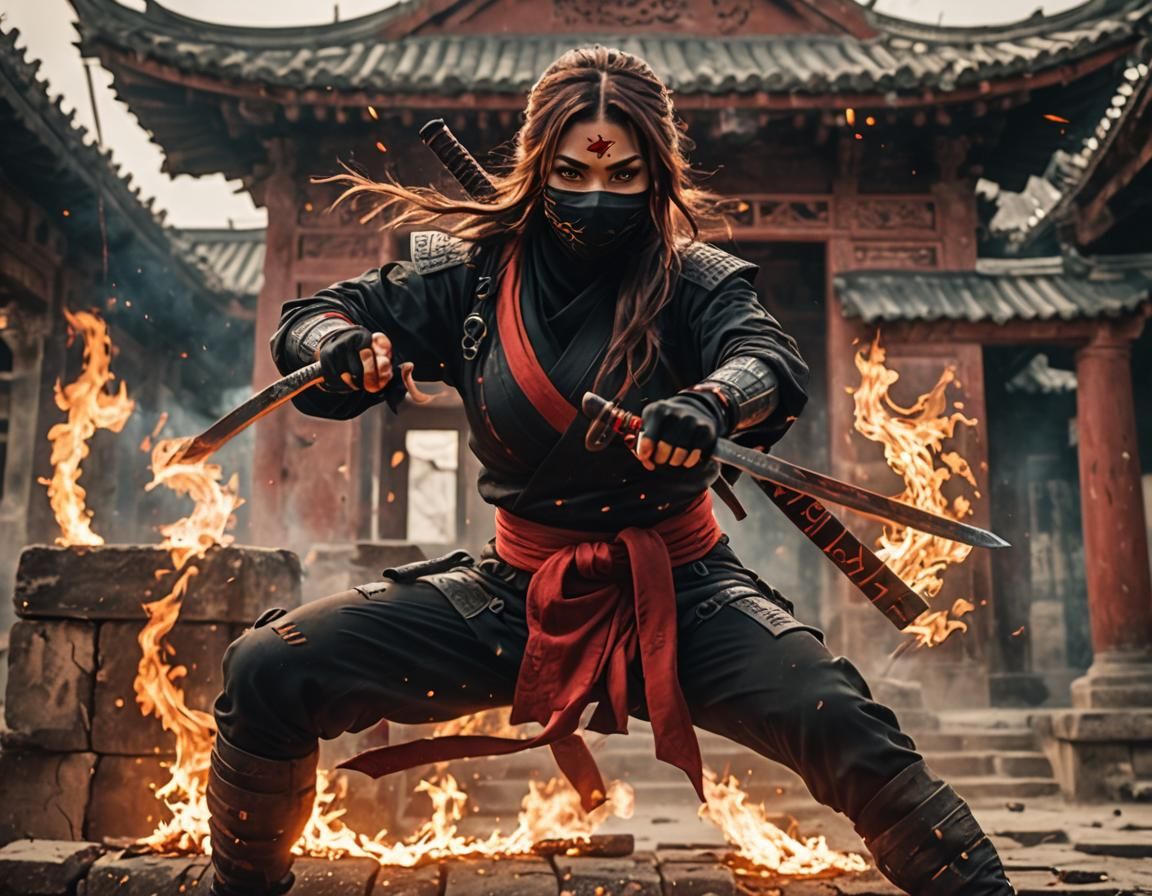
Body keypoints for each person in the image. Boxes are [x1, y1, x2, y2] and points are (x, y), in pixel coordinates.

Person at [206, 46, 1015, 896]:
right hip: (515, 594)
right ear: (536, 166)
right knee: (268, 666)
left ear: (656, 174)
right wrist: (335, 348)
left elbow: (766, 359)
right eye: (571, 172)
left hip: (688, 591)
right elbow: (314, 317)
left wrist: (711, 404)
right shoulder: (467, 278)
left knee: (845, 721)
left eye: (626, 175)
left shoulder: (694, 282)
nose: (599, 196)